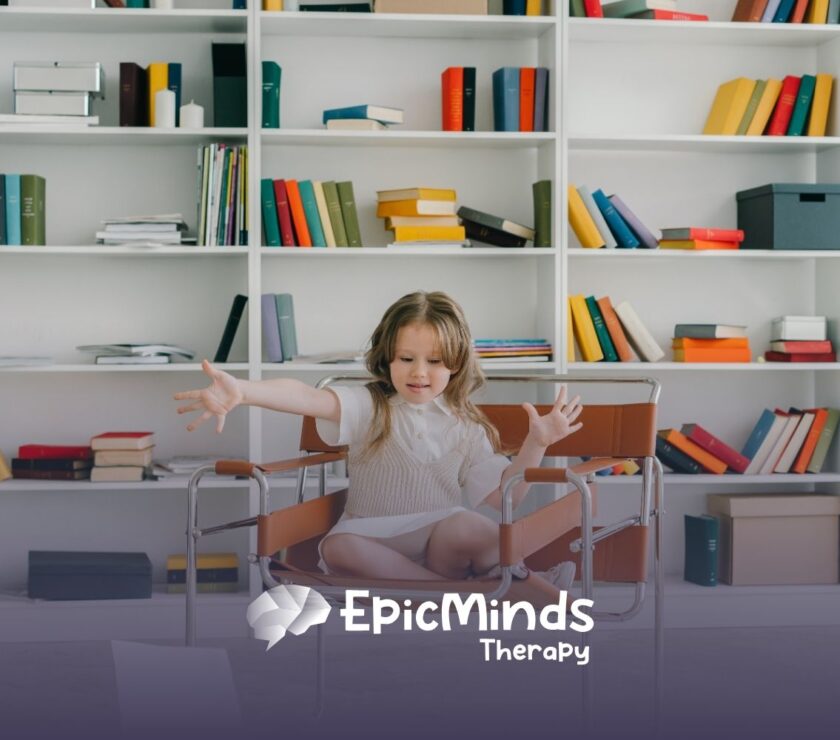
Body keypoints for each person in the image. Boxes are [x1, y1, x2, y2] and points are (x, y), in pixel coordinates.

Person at [174, 291, 583, 590]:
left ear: (456, 366)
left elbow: (502, 497)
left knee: (472, 524)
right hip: (370, 544)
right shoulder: (369, 406)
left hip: (440, 549)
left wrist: (538, 444)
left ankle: (503, 586)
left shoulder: (466, 427)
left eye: (435, 361)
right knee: (339, 548)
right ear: (387, 359)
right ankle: (475, 594)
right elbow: (305, 396)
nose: (419, 372)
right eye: (406, 358)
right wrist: (244, 391)